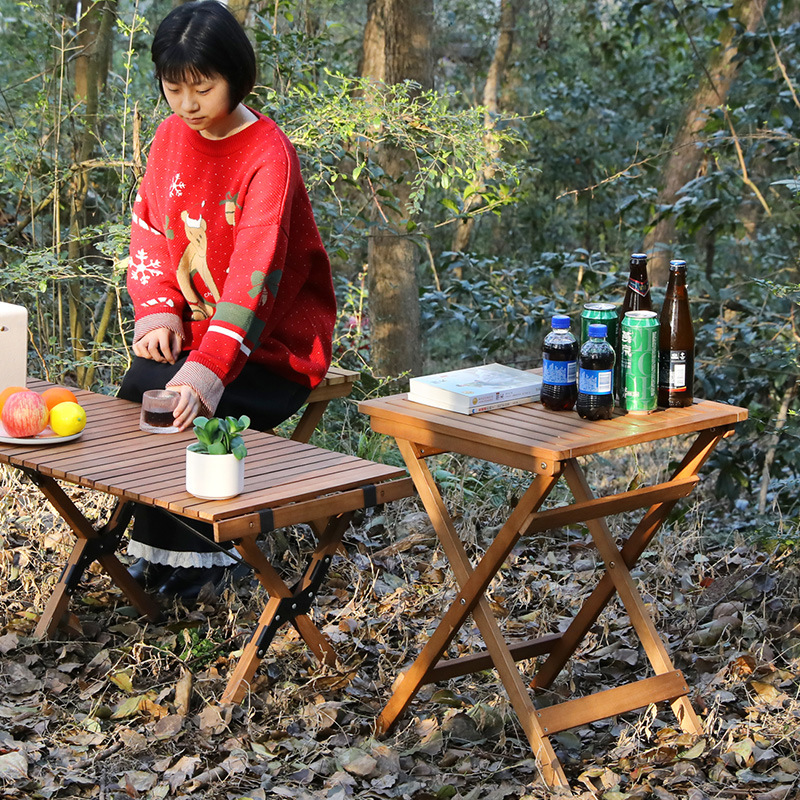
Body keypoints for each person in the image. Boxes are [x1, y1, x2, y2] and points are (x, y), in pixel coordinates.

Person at [118, 0, 336, 599]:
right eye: (174, 89)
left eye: (203, 88)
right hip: (193, 329)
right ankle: (156, 553)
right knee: (142, 396)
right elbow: (149, 226)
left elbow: (255, 276)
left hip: (270, 343)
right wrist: (158, 309)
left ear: (236, 77)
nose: (188, 105)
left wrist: (208, 370)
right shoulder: (169, 137)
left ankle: (210, 562)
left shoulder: (269, 153)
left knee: (187, 411)